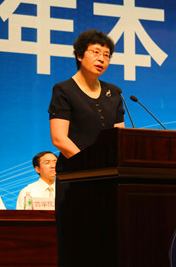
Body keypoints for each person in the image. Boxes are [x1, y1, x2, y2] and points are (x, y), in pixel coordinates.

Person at [48, 29, 125, 265]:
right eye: (96, 52)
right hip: (76, 178)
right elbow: (59, 139)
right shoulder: (64, 90)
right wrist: (90, 165)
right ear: (80, 55)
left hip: (109, 180)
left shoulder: (114, 92)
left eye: (107, 55)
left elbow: (120, 136)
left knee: (110, 243)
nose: (102, 59)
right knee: (78, 243)